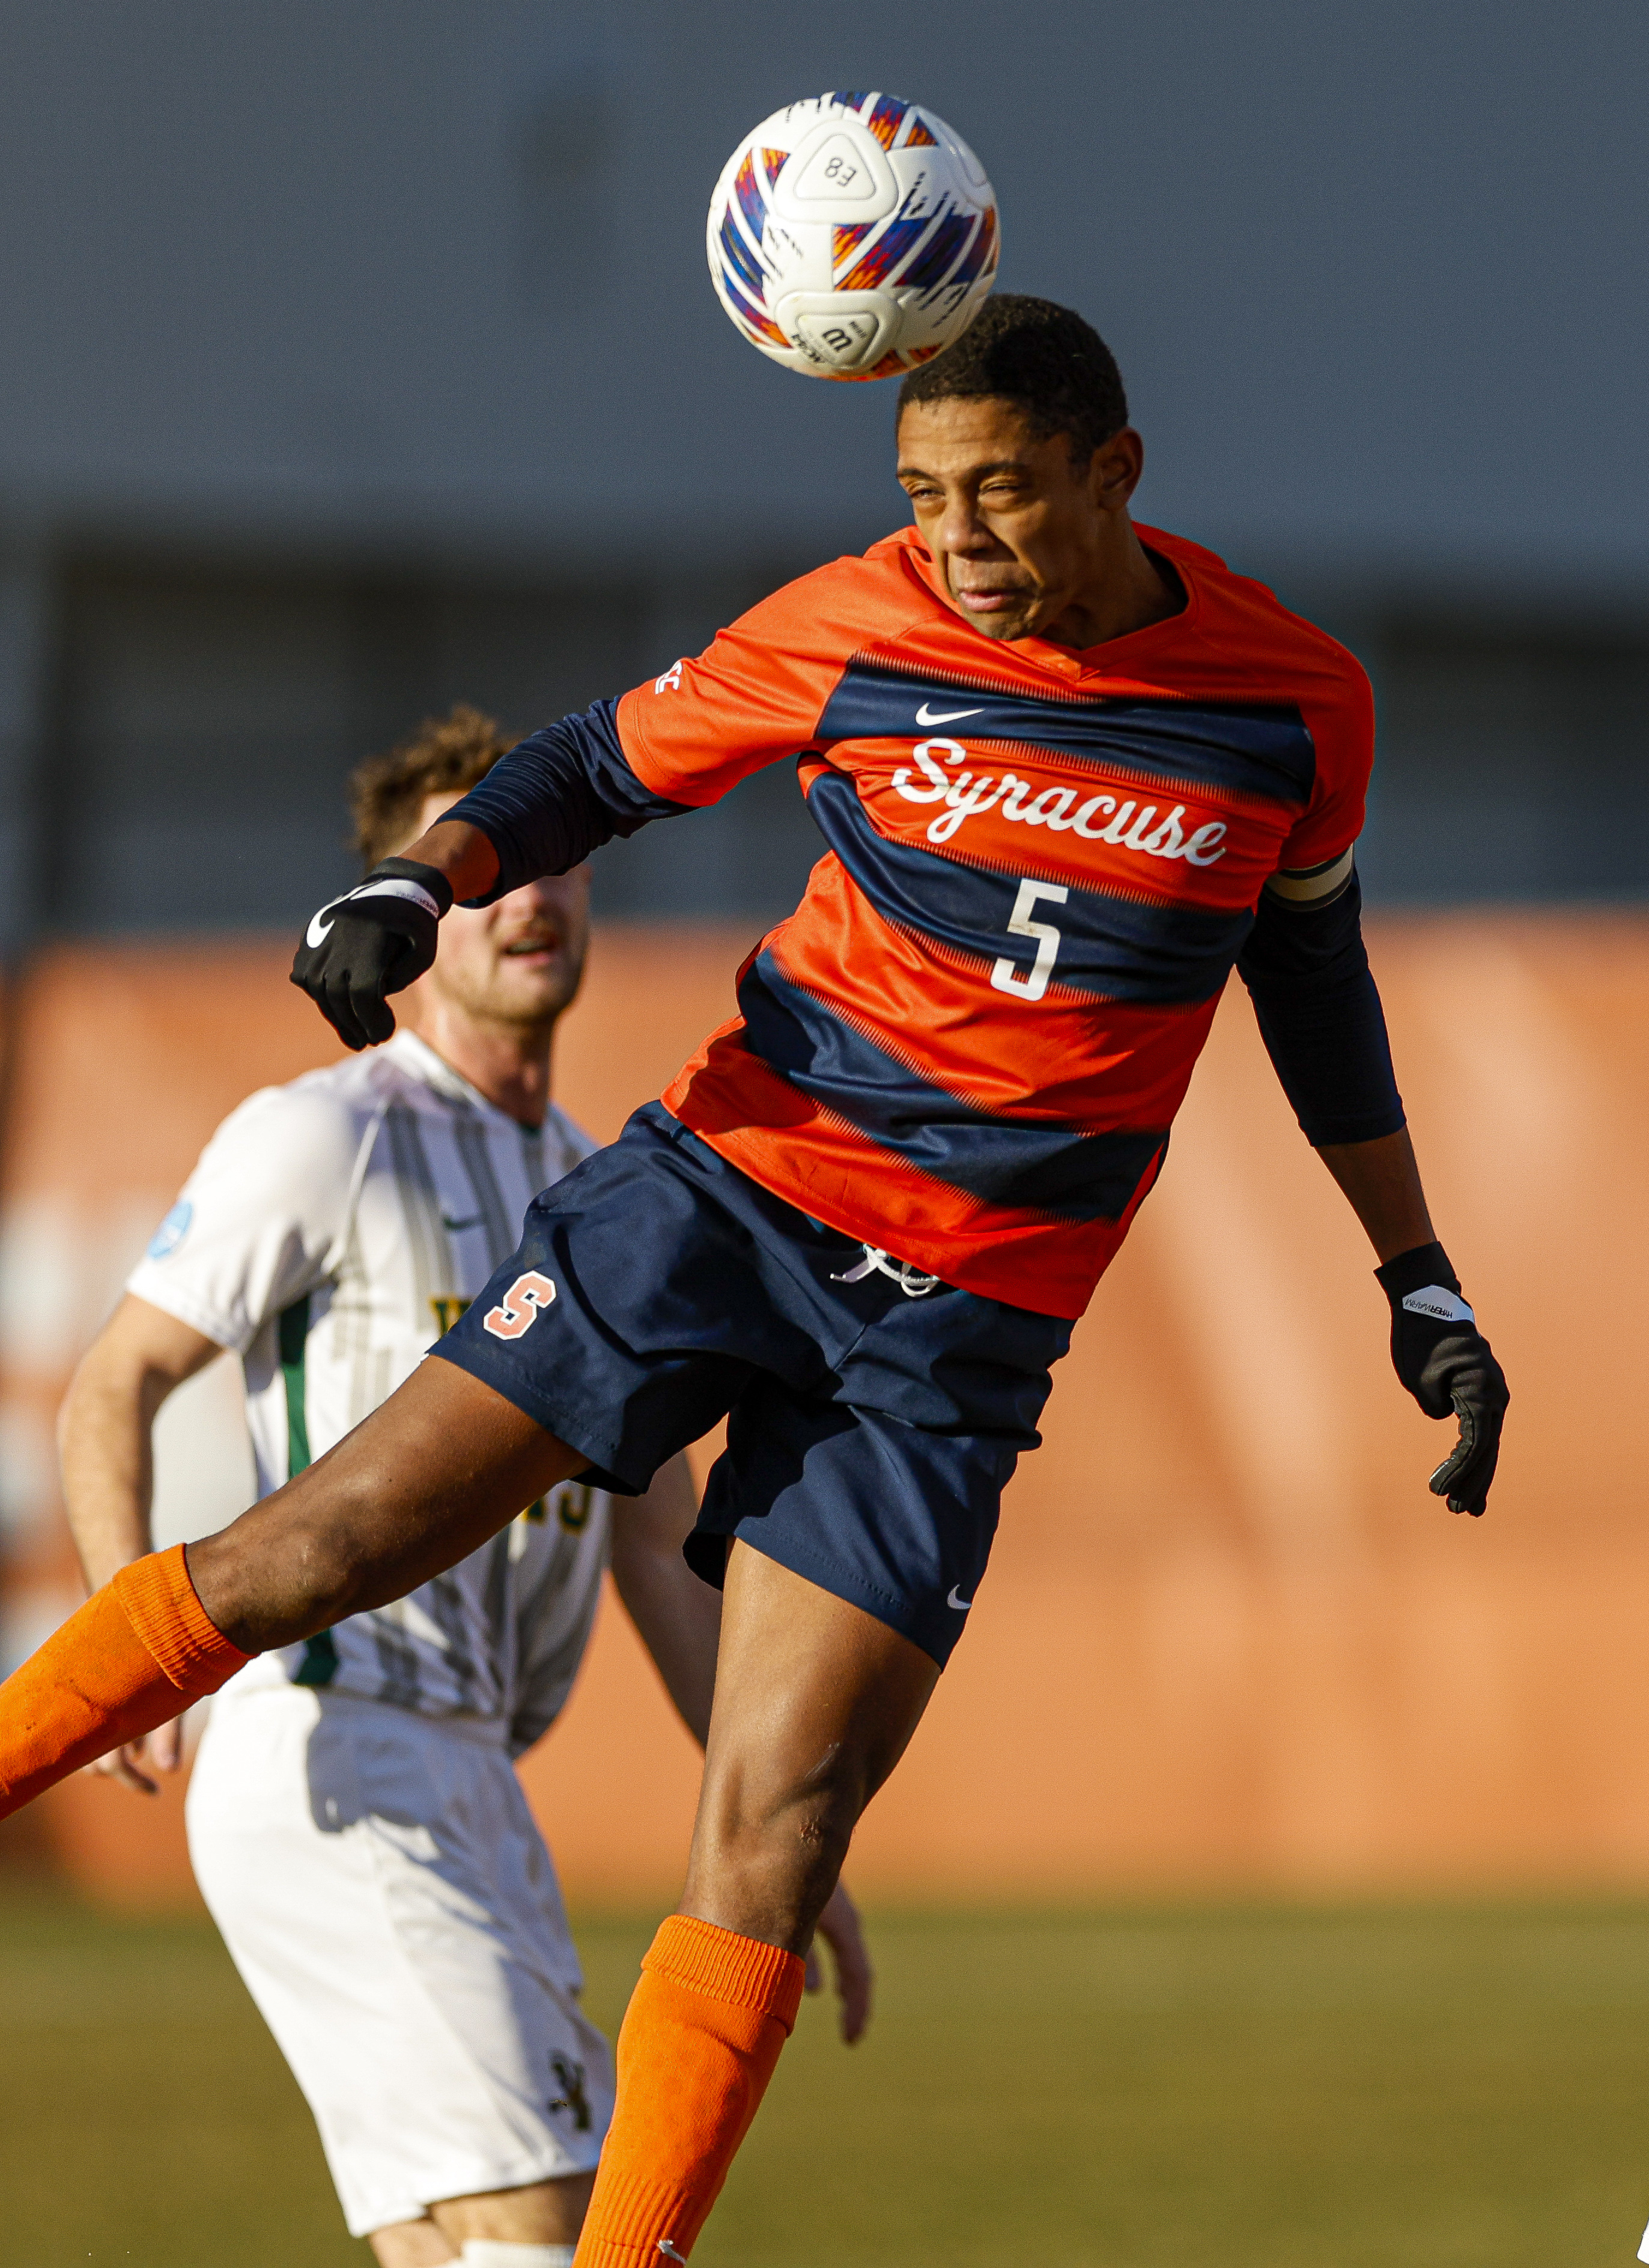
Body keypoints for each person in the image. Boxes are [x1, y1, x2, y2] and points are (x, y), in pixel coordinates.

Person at [2, 297, 1508, 2266]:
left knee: (781, 1832)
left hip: (960, 1331)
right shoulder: (865, 621)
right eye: (921, 493)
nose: (957, 538)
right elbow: (591, 768)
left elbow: (1310, 980)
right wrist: (426, 877)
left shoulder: (1294, 701)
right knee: (325, 1541)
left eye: (1000, 492)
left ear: (1113, 475)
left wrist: (1417, 1277)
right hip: (731, 1198)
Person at [52, 704, 871, 2268]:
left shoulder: (600, 1190)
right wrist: (125, 1632)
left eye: (551, 864)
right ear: (411, 913)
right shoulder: (327, 1134)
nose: (530, 898)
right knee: (551, 2227)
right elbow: (117, 1380)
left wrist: (774, 1834)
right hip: (338, 1742)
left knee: (458, 2246)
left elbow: (650, 1526)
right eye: (482, 874)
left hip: (475, 1771)